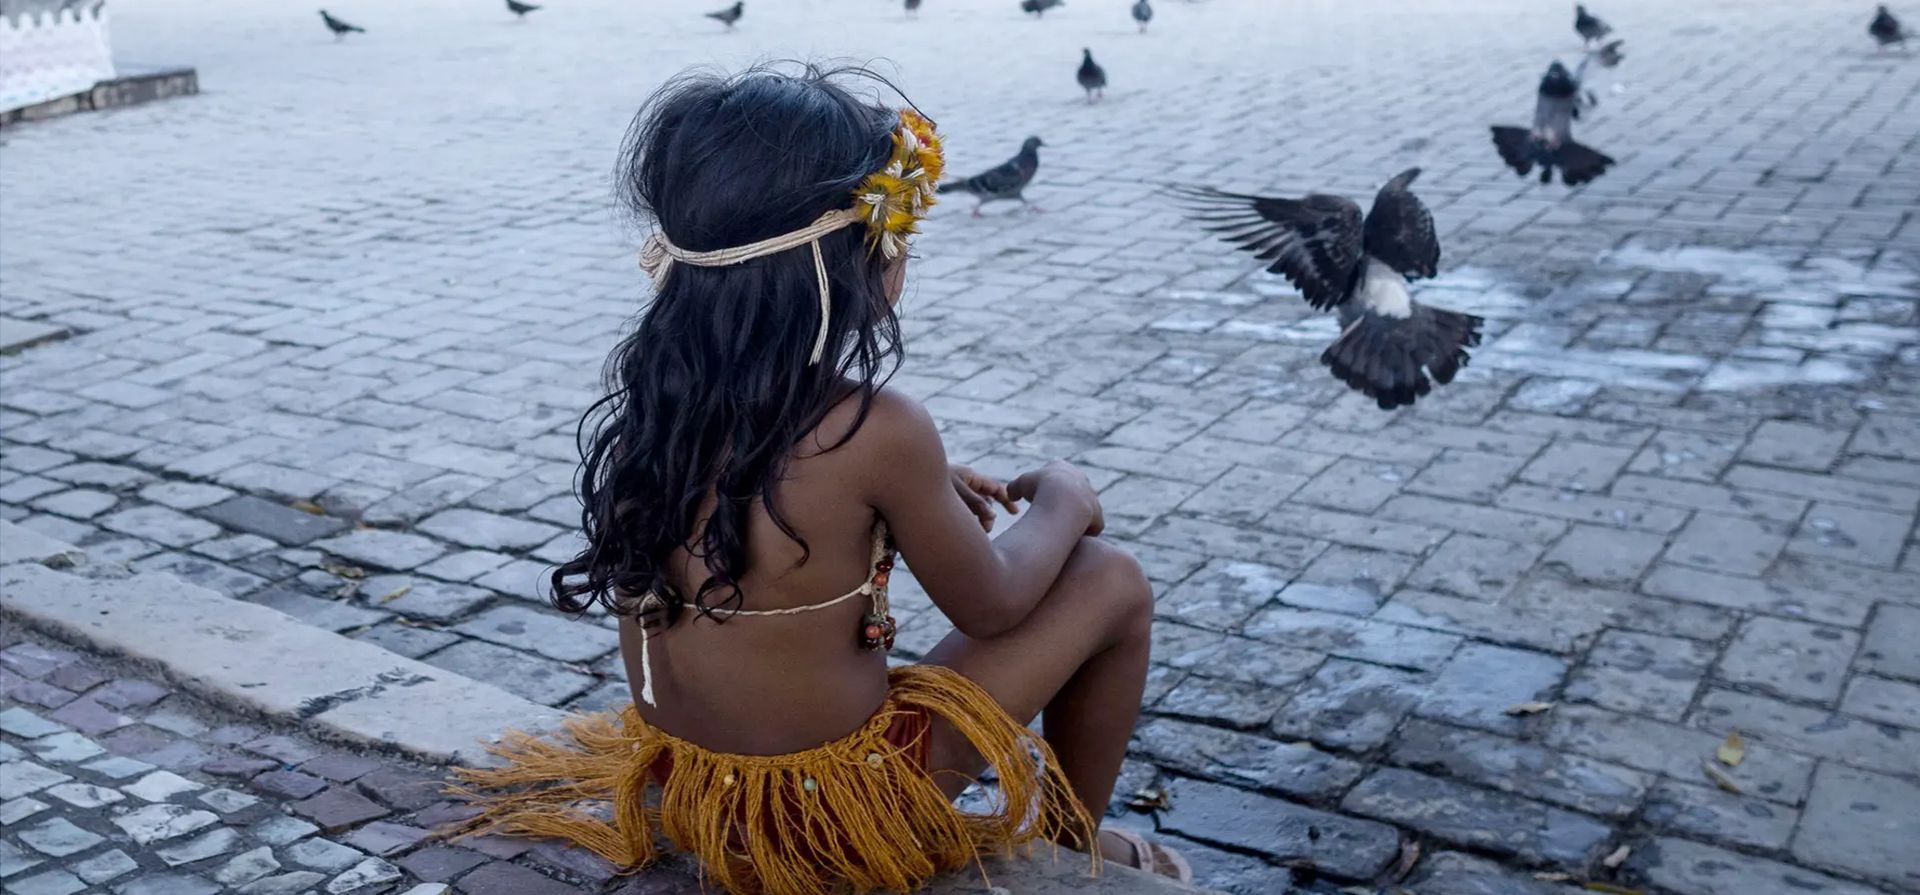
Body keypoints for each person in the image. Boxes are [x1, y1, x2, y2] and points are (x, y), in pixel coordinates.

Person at [453, 64, 1187, 894]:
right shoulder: (878, 429)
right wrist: (1064, 498)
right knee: (1109, 576)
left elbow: (780, 485)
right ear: (843, 263)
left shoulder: (660, 400)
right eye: (895, 231)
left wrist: (923, 487)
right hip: (823, 817)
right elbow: (997, 603)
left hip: (695, 790)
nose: (903, 250)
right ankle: (1066, 844)